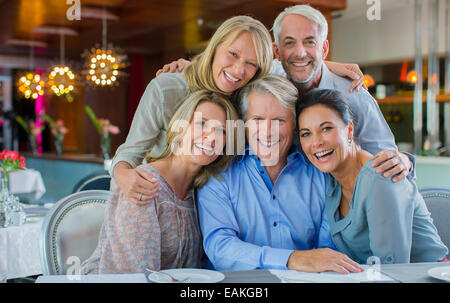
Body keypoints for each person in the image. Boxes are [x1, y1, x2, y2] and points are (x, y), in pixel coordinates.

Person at [161, 5, 413, 182]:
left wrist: (404, 162)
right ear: (277, 52)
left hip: (345, 205)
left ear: (324, 48)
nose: (300, 52)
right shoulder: (266, 82)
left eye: (310, 42)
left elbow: (390, 158)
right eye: (290, 42)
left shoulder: (353, 92)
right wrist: (189, 66)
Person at [197, 74, 364, 274]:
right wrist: (291, 259)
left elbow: (328, 251)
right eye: (257, 119)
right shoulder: (220, 175)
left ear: (294, 127)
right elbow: (220, 248)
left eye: (279, 120)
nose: (268, 132)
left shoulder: (319, 172)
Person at [110, 15, 274, 205]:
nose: (238, 70)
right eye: (233, 54)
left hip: (215, 209)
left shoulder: (247, 103)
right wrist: (122, 175)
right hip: (160, 200)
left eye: (251, 63)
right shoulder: (166, 90)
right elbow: (130, 153)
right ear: (214, 48)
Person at [81, 90, 239, 274]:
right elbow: (134, 274)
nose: (210, 136)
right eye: (201, 123)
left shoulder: (205, 190)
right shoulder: (143, 184)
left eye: (221, 130)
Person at [296, 88, 449, 264]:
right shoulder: (331, 182)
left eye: (326, 128)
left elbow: (391, 266)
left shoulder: (380, 175)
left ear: (349, 130)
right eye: (306, 134)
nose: (316, 142)